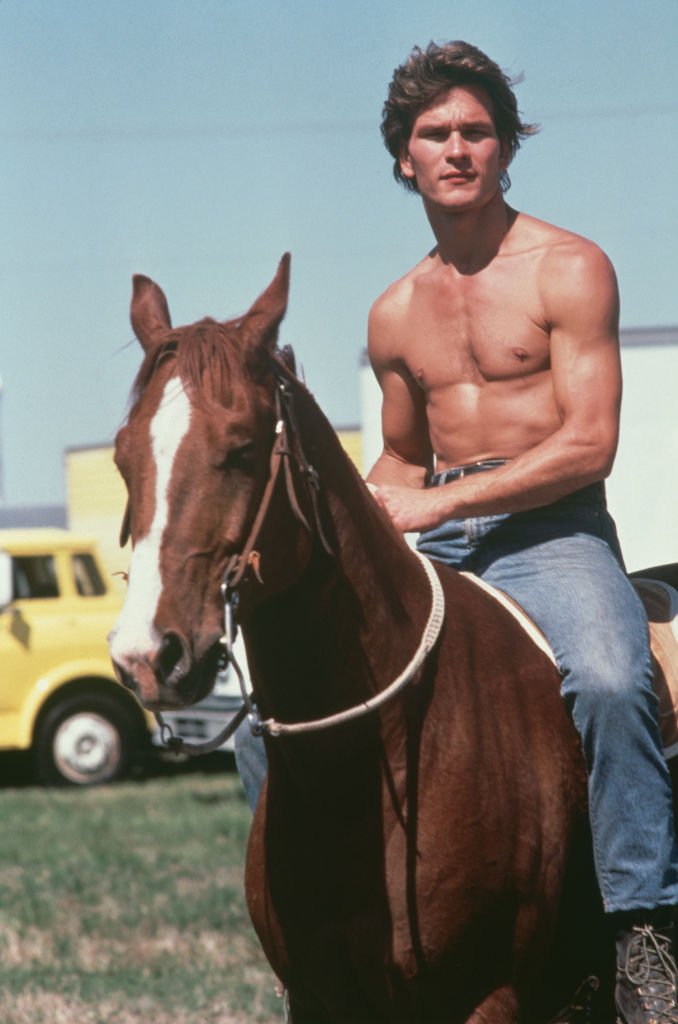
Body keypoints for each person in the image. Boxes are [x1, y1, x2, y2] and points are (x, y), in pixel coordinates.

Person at [366, 39, 678, 1024]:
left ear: (506, 147)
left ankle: (644, 934)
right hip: (441, 539)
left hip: (552, 529)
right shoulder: (393, 314)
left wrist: (445, 504)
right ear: (402, 157)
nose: (457, 150)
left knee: (615, 679)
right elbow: (404, 463)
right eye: (435, 134)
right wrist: (361, 510)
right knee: (289, 710)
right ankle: (331, 942)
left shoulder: (569, 267)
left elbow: (590, 444)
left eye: (476, 131)